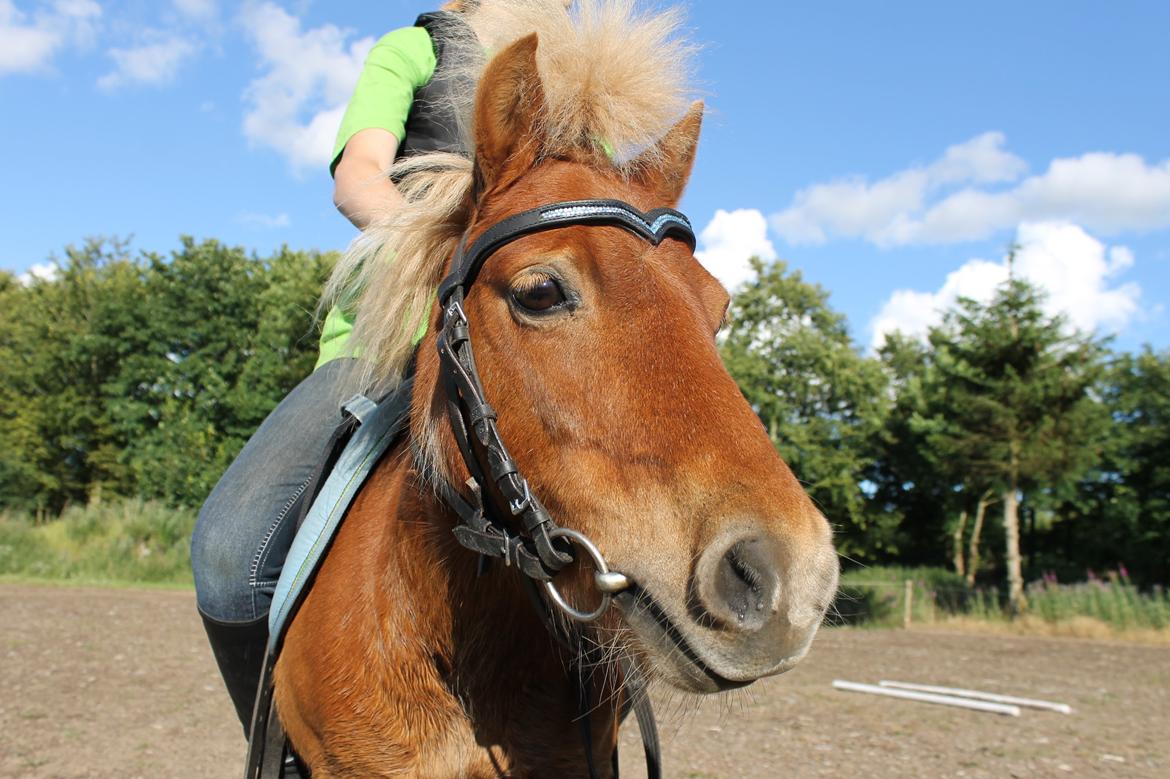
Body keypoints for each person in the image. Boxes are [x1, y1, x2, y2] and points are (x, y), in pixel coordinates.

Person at [191, 1, 485, 736]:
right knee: (233, 551)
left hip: (535, 357)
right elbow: (358, 181)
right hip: (385, 345)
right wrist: (466, 267)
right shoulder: (413, 51)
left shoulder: (577, 78)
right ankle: (285, 744)